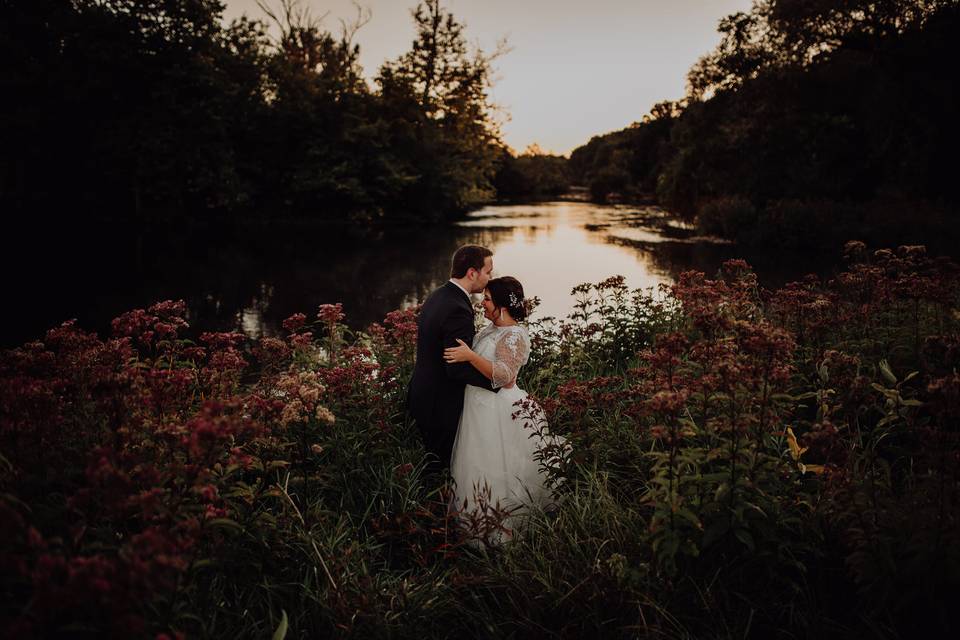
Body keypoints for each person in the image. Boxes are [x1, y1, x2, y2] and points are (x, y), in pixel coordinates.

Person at [443, 276, 560, 532]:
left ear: (502, 306)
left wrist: (470, 356)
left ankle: (500, 529)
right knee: (473, 464)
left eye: (487, 299)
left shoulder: (514, 335)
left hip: (498, 409)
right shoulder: (491, 329)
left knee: (495, 464)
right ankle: (473, 523)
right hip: (477, 406)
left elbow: (505, 377)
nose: (482, 304)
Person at [407, 245, 499, 472]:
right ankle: (435, 507)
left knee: (433, 464)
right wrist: (496, 382)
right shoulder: (457, 307)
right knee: (440, 469)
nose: (490, 277)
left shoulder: (439, 294)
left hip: (424, 394)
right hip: (440, 403)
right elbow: (456, 368)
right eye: (488, 272)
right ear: (472, 273)